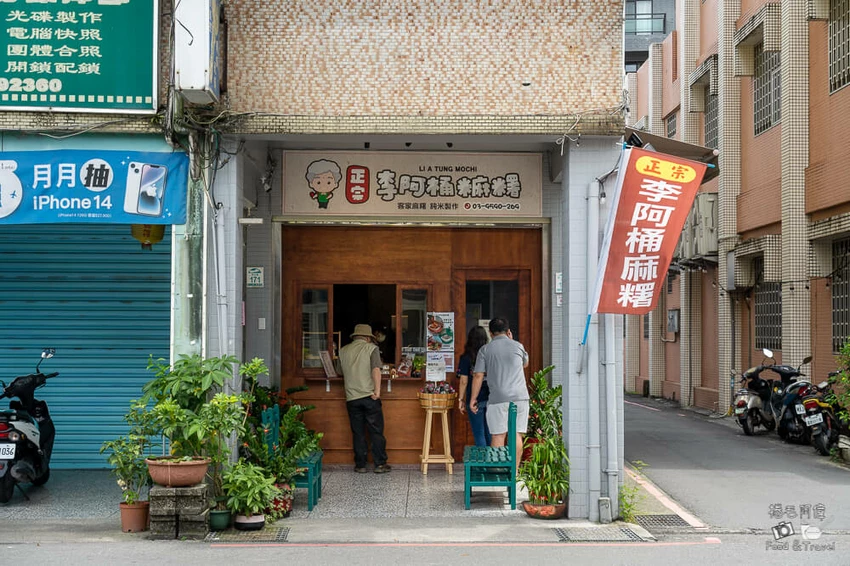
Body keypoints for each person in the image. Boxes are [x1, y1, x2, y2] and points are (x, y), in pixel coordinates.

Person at [470, 317, 529, 467]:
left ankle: (498, 471)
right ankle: (514, 473)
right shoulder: (518, 346)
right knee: (516, 434)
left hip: (498, 398)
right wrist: (512, 341)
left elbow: (478, 375)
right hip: (520, 397)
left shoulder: (485, 349)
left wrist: (473, 399)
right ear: (508, 331)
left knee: (498, 434)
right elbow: (525, 364)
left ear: (490, 333)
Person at [339, 323, 391, 473]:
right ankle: (380, 464)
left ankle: (360, 465)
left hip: (351, 397)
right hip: (369, 396)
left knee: (358, 432)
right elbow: (376, 369)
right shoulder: (371, 349)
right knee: (376, 431)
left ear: (355, 337)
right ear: (368, 338)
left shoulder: (343, 351)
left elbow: (339, 371)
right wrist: (377, 391)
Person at [456, 325, 491, 447]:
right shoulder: (490, 356)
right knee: (490, 432)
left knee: (479, 433)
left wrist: (460, 399)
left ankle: (483, 465)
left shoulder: (466, 358)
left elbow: (464, 381)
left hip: (475, 399)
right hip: (491, 398)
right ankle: (492, 463)